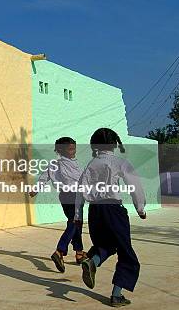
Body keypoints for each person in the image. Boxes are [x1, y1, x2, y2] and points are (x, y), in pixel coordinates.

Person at [74, 128, 146, 307]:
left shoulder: (91, 164)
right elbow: (134, 185)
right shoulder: (119, 162)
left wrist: (77, 215)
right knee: (126, 253)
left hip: (95, 211)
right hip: (113, 210)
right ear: (114, 144)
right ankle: (116, 295)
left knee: (105, 245)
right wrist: (140, 208)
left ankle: (92, 262)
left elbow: (80, 191)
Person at [29, 137, 86, 272]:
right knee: (75, 222)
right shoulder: (64, 164)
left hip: (65, 196)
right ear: (62, 150)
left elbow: (43, 177)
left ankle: (79, 252)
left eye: (74, 148)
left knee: (75, 223)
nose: (74, 151)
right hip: (74, 196)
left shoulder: (57, 164)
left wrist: (36, 189)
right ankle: (60, 250)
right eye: (71, 149)